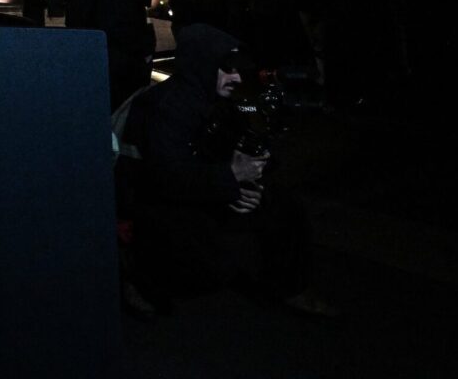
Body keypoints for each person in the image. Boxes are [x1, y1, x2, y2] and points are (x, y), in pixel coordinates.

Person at [122, 24, 333, 315]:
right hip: (158, 197)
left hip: (209, 182)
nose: (236, 76)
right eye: (227, 68)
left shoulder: (225, 98)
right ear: (203, 65)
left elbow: (253, 149)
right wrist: (232, 179)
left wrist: (254, 178)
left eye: (238, 68)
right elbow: (168, 178)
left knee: (286, 210)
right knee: (207, 259)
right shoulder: (169, 108)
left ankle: (290, 287)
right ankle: (140, 281)